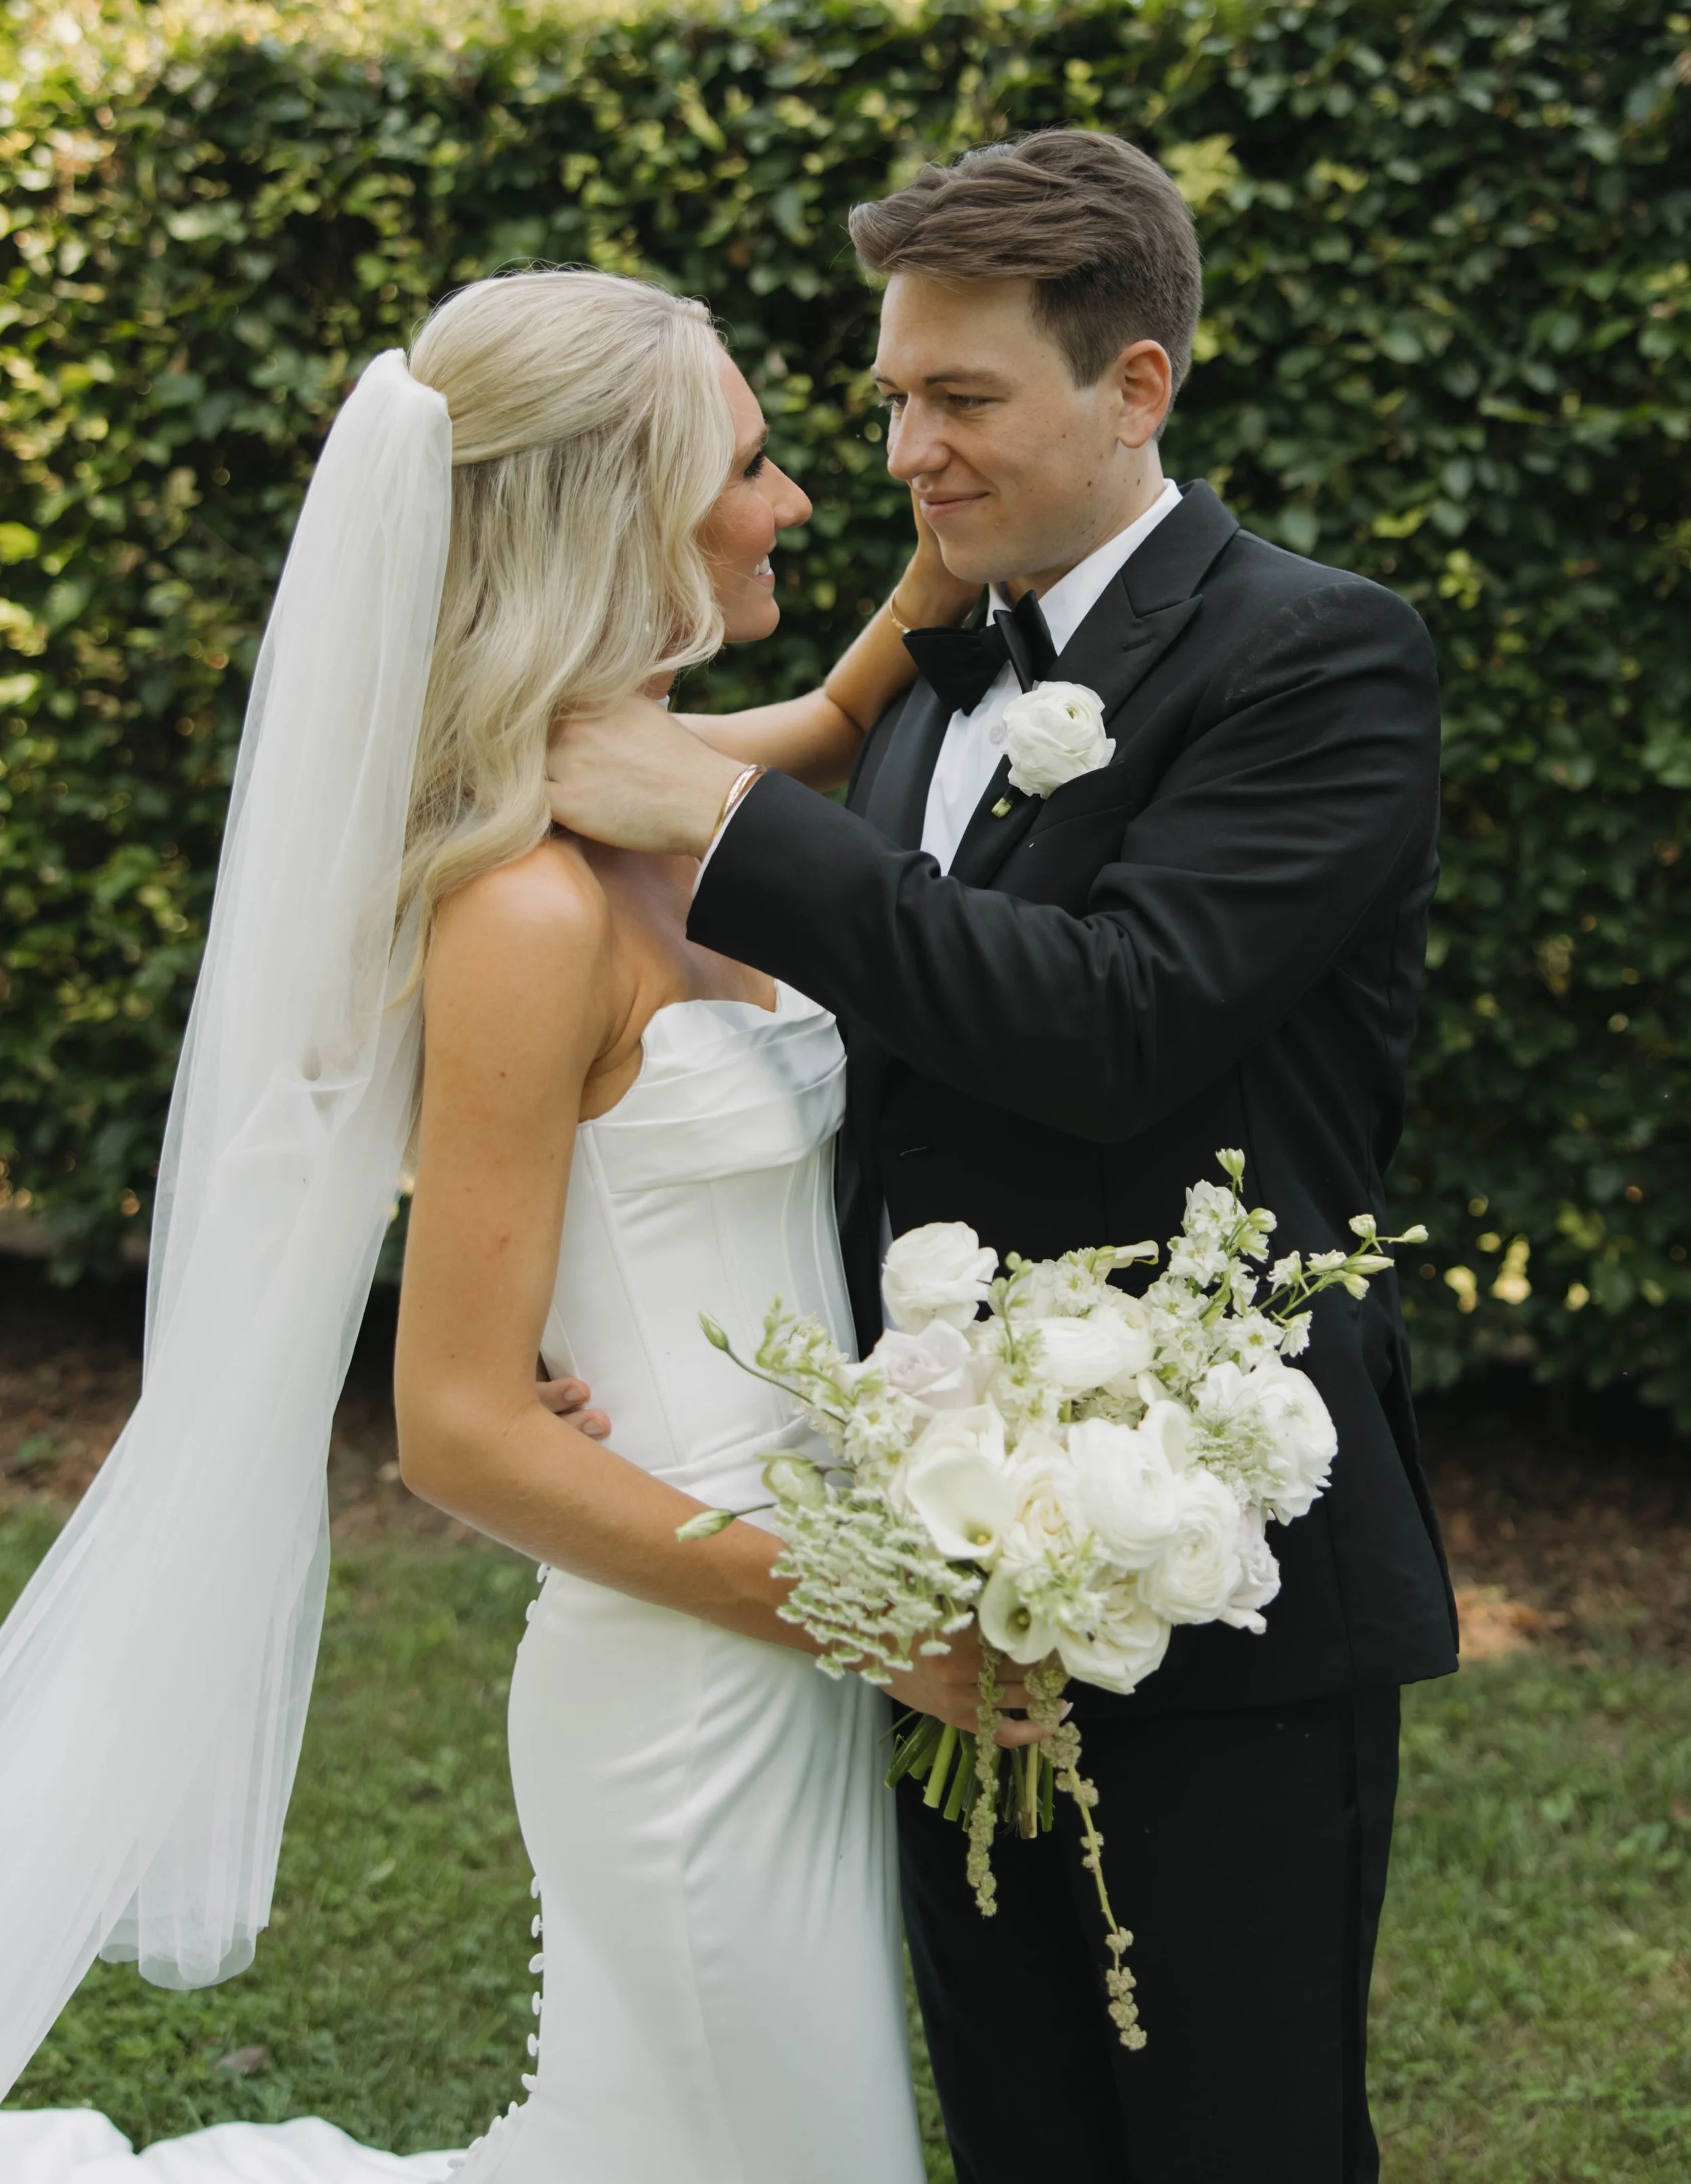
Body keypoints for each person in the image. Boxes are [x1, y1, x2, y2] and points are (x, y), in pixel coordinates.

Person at [0, 267, 1019, 2183]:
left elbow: (811, 720)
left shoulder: (665, 792)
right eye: (752, 461)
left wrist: (924, 601)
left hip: (801, 1639)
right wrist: (864, 1611)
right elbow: (457, 1424)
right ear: (622, 516)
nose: (798, 499)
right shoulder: (528, 910)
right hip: (696, 1658)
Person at [543, 129, 1463, 2184]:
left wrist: (710, 820)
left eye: (960, 399)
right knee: (1022, 2122)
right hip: (934, 1558)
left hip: (1221, 1556)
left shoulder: (1316, 655)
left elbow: (1111, 1021)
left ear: (1134, 387)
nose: (905, 452)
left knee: (1235, 2138)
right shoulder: (923, 678)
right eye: (888, 396)